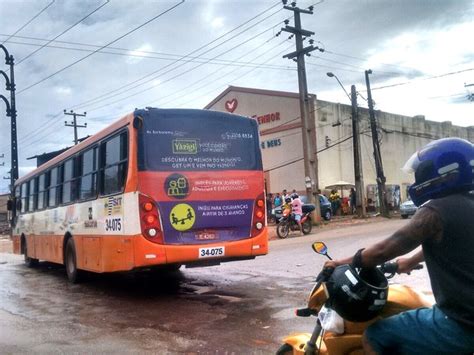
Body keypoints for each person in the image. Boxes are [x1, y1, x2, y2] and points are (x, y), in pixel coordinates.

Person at [324, 138, 474, 354]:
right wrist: (409, 262)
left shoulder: (435, 212)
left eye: (421, 173)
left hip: (459, 323)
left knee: (376, 335)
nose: (416, 179)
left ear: (442, 173)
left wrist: (341, 262)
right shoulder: (468, 203)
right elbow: (452, 244)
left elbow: (386, 249)